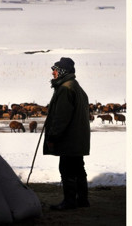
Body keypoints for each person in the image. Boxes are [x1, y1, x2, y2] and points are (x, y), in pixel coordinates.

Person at [43, 57, 91, 210]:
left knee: (67, 169)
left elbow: (61, 117)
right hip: (77, 138)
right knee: (78, 168)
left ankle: (70, 201)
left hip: (69, 139)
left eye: (55, 69)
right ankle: (82, 200)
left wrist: (53, 137)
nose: (53, 73)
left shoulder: (65, 88)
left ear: (62, 71)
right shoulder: (75, 86)